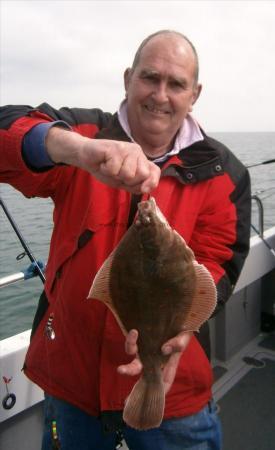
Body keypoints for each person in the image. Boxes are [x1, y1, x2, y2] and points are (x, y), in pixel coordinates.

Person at [0, 30, 251, 450]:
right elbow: (7, 132)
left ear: (195, 94)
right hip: (73, 386)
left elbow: (218, 262)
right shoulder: (84, 133)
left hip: (176, 392)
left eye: (176, 84)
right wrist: (75, 149)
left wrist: (180, 333)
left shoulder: (224, 172)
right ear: (127, 78)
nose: (160, 94)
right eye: (149, 78)